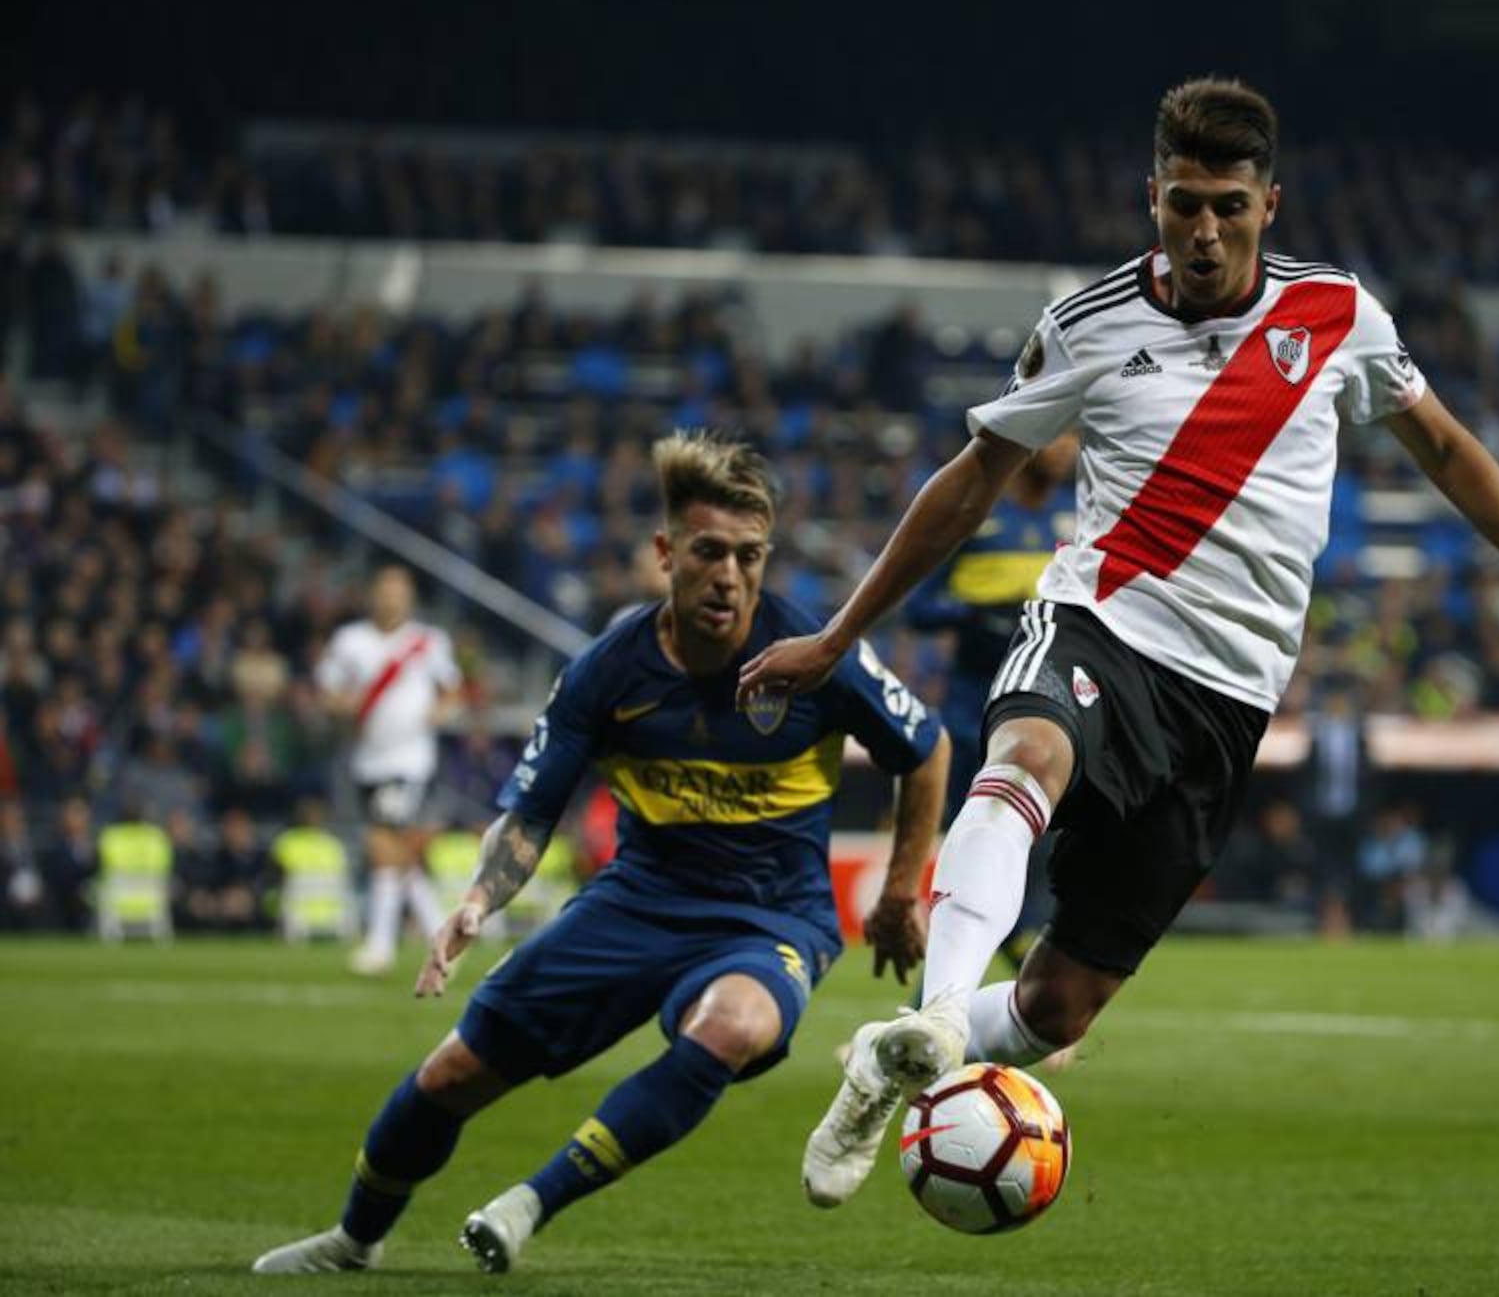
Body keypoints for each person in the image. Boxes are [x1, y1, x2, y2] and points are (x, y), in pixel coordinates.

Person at [738, 76, 1499, 1209]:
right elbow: (971, 480)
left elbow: (1445, 450)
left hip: (1227, 702)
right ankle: (937, 1015)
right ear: (1153, 198)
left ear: (1269, 204)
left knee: (1058, 1007)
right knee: (1022, 757)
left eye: (1228, 204)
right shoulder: (1084, 325)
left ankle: (892, 1061)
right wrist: (840, 634)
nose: (1204, 229)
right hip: (1101, 627)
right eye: (1183, 202)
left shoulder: (1337, 317)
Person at [251, 434, 948, 1275]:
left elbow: (928, 748)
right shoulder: (607, 671)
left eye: (750, 556)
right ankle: (354, 1239)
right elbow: (530, 809)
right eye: (709, 553)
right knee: (452, 1074)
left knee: (733, 1024)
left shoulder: (816, 653)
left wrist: (901, 891)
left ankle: (529, 1202)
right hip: (637, 903)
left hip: (770, 919)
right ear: (665, 554)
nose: (729, 575)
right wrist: (477, 900)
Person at [905, 434, 1078, 971]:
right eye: (1061, 435)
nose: (1069, 448)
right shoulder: (977, 515)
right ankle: (1020, 982)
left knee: (1039, 844)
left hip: (1046, 703)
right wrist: (978, 614)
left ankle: (966, 997)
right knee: (974, 841)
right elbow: (920, 607)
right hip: (971, 705)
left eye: (1076, 437)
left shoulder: (1076, 520)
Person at [316, 565, 463, 975]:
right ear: (372, 594)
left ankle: (379, 945)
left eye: (399, 591)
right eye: (384, 590)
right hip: (365, 758)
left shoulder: (427, 641)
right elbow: (327, 689)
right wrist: (339, 705)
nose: (391, 599)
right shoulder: (350, 640)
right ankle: (445, 932)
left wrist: (438, 712)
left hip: (410, 760)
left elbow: (452, 688)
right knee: (397, 851)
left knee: (382, 844)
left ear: (410, 598)